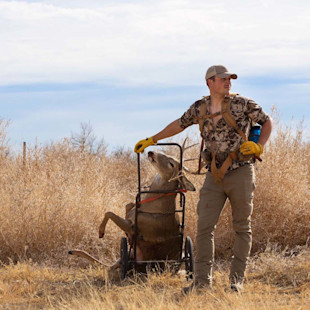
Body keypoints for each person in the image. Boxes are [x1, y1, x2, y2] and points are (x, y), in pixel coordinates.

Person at [134, 65, 273, 293]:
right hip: (214, 175)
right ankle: (201, 283)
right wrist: (153, 139)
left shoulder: (243, 103)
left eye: (230, 79)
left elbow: (267, 122)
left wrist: (259, 145)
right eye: (223, 79)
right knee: (204, 228)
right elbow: (179, 124)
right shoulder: (200, 107)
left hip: (241, 172)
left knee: (241, 227)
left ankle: (236, 281)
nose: (228, 83)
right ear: (210, 82)